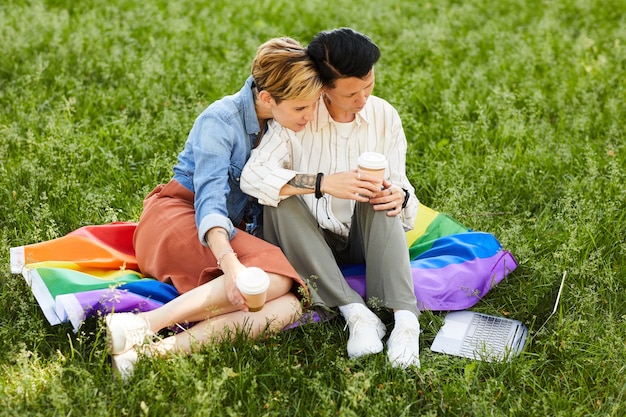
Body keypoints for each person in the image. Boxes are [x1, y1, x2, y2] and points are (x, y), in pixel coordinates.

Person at [104, 37, 324, 379]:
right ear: (267, 97)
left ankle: (154, 355)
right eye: (300, 108)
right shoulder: (219, 121)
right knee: (279, 277)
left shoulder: (280, 123)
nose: (310, 116)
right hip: (179, 218)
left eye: (313, 105)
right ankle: (141, 324)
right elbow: (208, 202)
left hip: (227, 230)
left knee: (290, 304)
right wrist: (232, 265)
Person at [241, 28, 421, 368]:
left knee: (380, 190)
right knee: (277, 197)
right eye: (352, 92)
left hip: (361, 239)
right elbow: (254, 176)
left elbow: (402, 186)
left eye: (368, 85)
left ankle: (406, 322)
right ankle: (356, 313)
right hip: (308, 241)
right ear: (325, 88)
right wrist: (322, 183)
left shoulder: (384, 117)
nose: (363, 98)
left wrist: (401, 195)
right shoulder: (299, 115)